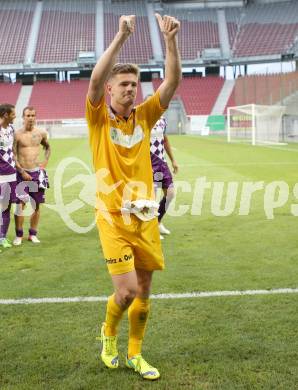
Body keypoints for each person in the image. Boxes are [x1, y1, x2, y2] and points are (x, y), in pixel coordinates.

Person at [86, 14, 181, 380]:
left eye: (134, 84)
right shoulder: (98, 117)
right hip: (112, 217)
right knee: (125, 292)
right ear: (110, 90)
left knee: (144, 289)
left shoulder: (145, 116)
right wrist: (122, 36)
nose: (130, 89)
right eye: (123, 84)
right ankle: (108, 334)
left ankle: (136, 354)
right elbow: (95, 79)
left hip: (144, 217)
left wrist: (170, 40)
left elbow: (172, 82)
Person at [13, 106, 50, 245]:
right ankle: (19, 235)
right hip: (22, 174)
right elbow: (13, 154)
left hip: (36, 174)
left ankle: (33, 234)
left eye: (33, 115)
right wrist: (22, 171)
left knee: (37, 206)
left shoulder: (41, 133)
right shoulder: (17, 134)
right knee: (20, 205)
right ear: (23, 117)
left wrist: (45, 160)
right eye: (28, 115)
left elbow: (47, 147)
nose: (31, 118)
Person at [150, 115, 178, 239]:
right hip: (149, 163)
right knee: (152, 199)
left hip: (162, 163)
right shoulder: (142, 119)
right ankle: (151, 229)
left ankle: (158, 222)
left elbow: (165, 140)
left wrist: (173, 160)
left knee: (170, 194)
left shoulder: (162, 119)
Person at [0, 103, 17, 250]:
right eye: (13, 114)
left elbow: (12, 150)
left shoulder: (11, 128)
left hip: (11, 174)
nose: (15, 116)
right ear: (5, 114)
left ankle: (2, 238)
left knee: (6, 208)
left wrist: (18, 167)